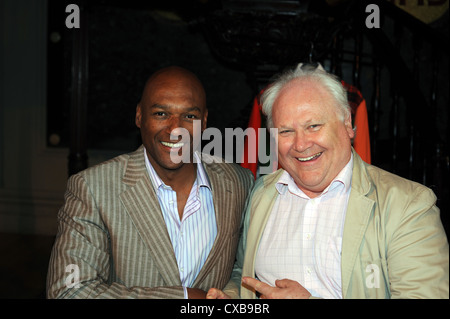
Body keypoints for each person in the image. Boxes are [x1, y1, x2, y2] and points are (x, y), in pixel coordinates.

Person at [207, 64, 449, 299]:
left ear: (347, 124)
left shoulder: (408, 205)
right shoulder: (261, 193)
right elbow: (243, 273)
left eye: (313, 126)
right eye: (286, 132)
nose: (300, 145)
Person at [46, 66, 254, 298]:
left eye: (189, 116)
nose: (175, 130)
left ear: (204, 121)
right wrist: (185, 298)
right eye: (161, 114)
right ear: (139, 116)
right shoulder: (92, 188)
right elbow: (69, 291)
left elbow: (244, 268)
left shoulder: (238, 182)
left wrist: (231, 296)